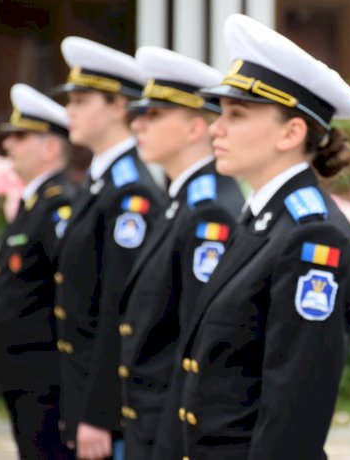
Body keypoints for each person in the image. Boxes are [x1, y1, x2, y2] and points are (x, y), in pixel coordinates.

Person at [176, 13, 350, 459]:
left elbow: (294, 405)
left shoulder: (312, 239)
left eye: (237, 115)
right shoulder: (262, 220)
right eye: (219, 113)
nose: (215, 129)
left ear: (291, 132)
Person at [119, 46, 244, 460]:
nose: (138, 123)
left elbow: (194, 340)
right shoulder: (181, 200)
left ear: (195, 128)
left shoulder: (209, 211)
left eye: (154, 114)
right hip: (147, 417)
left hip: (167, 428)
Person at [52, 37, 165, 460]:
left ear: (119, 107)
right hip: (77, 392)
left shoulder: (130, 193)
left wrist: (100, 414)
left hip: (102, 410)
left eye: (82, 100)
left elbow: (120, 309)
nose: (70, 111)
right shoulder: (99, 181)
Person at [0, 83, 76, 459]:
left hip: (45, 379)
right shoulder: (35, 203)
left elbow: (72, 288)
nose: (8, 146)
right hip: (25, 376)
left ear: (50, 147)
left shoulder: (58, 206)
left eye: (20, 136)